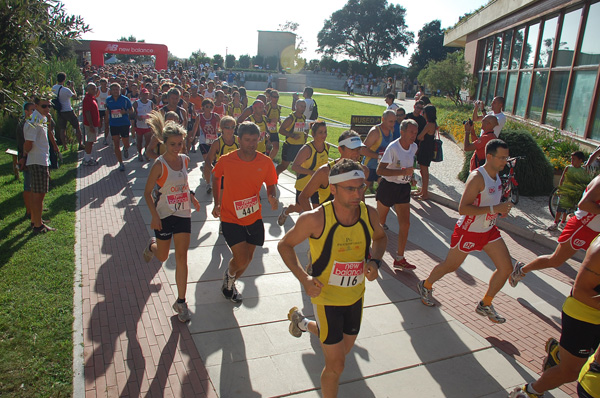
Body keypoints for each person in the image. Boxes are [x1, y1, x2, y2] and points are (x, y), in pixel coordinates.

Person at [278, 159, 387, 398]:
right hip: (326, 299)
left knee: (342, 350)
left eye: (361, 187)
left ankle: (302, 323)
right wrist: (304, 279)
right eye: (350, 188)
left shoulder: (369, 214)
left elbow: (380, 238)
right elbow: (284, 245)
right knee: (336, 365)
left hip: (355, 297)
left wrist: (375, 261)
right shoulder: (315, 219)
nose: (358, 194)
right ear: (333, 189)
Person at [417, 139, 515, 323]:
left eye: (506, 157)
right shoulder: (478, 177)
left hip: (489, 231)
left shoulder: (497, 176)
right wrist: (495, 209)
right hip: (468, 231)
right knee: (450, 266)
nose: (505, 161)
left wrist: (500, 211)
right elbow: (463, 209)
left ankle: (485, 303)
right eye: (501, 158)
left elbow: (490, 204)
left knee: (506, 268)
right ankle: (426, 284)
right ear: (490, 156)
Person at [509, 236, 600, 398]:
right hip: (583, 317)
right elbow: (580, 292)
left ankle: (559, 354)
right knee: (571, 372)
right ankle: (528, 392)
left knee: (586, 363)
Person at [142, 111, 200, 322]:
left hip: (183, 213)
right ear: (164, 143)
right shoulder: (159, 164)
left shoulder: (184, 161)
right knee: (163, 256)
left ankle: (181, 302)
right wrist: (154, 216)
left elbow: (183, 184)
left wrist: (191, 197)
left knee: (182, 257)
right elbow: (147, 193)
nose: (178, 148)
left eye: (180, 144)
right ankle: (152, 246)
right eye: (174, 144)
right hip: (164, 215)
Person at [211, 122, 278, 303]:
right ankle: (230, 275)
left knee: (247, 259)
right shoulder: (227, 160)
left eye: (255, 140)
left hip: (253, 217)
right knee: (240, 259)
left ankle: (229, 282)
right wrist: (216, 203)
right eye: (247, 140)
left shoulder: (265, 162)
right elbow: (215, 176)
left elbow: (271, 183)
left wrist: (272, 196)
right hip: (230, 217)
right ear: (239, 140)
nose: (251, 144)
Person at [510, 174, 600, 287]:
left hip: (596, 233)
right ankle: (522, 269)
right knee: (556, 260)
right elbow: (584, 204)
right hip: (581, 227)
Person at [376, 119, 418, 269]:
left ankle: (399, 258)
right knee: (379, 222)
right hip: (388, 187)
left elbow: (408, 167)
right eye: (411, 132)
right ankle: (370, 251)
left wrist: (411, 178)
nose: (414, 135)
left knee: (405, 224)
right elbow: (380, 171)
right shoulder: (393, 148)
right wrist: (402, 172)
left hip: (403, 188)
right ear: (402, 132)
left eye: (415, 132)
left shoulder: (414, 147)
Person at [297, 130, 368, 212]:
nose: (356, 154)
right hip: (329, 223)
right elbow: (303, 198)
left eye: (358, 149)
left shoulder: (364, 170)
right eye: (352, 150)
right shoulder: (325, 171)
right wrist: (315, 219)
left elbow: (361, 200)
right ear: (340, 149)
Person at [278, 121, 329, 225]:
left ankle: (315, 233)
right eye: (320, 132)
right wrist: (312, 172)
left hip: (317, 185)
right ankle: (286, 211)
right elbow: (295, 167)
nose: (324, 135)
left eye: (325, 132)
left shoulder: (326, 147)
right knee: (298, 208)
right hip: (304, 184)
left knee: (317, 210)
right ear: (313, 134)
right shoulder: (307, 149)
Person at [22, 95, 59, 233]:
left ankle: (36, 219)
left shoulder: (41, 118)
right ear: (36, 106)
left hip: (41, 159)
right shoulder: (34, 121)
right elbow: (28, 144)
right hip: (37, 160)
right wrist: (26, 153)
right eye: (44, 106)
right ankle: (37, 224)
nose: (47, 108)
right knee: (39, 194)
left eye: (49, 105)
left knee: (38, 193)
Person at [360, 110, 398, 192]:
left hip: (382, 167)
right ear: (383, 119)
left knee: (384, 191)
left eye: (394, 121)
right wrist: (379, 156)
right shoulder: (375, 132)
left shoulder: (391, 130)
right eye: (390, 121)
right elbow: (362, 150)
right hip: (370, 166)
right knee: (361, 192)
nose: (393, 124)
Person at [547, 151, 587, 230]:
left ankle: (563, 222)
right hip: (565, 191)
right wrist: (560, 188)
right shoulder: (568, 168)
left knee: (567, 208)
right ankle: (555, 222)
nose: (572, 161)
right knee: (560, 207)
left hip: (573, 193)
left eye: (574, 159)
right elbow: (562, 178)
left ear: (580, 160)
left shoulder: (583, 171)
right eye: (571, 159)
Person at [202, 116, 239, 187]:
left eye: (233, 127)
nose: (230, 130)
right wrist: (215, 172)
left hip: (235, 174)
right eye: (227, 127)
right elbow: (208, 160)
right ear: (222, 128)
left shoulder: (238, 140)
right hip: (222, 176)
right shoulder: (217, 143)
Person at [105, 82, 134, 172]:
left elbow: (131, 110)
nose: (115, 91)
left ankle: (125, 149)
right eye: (113, 90)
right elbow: (108, 110)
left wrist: (125, 112)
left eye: (117, 89)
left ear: (120, 90)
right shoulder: (108, 100)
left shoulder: (125, 99)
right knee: (116, 144)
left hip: (124, 123)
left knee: (126, 143)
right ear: (111, 91)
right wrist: (106, 118)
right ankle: (121, 163)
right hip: (114, 124)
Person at [16, 102, 36, 221]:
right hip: (26, 158)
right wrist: (23, 157)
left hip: (33, 157)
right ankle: (29, 210)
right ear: (26, 111)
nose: (34, 112)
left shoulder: (33, 123)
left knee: (34, 185)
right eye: (32, 110)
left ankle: (34, 207)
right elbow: (22, 144)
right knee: (28, 185)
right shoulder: (23, 124)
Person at [52, 72, 83, 150]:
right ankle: (80, 143)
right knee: (77, 127)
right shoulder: (66, 90)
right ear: (64, 79)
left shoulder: (54, 88)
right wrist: (72, 87)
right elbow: (75, 96)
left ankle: (64, 146)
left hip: (60, 111)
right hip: (68, 110)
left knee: (62, 129)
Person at [276, 100, 307, 175]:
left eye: (304, 107)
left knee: (299, 167)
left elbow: (300, 129)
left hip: (300, 146)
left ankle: (299, 185)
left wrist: (304, 134)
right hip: (290, 146)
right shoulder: (291, 118)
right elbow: (281, 130)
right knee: (284, 166)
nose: (303, 108)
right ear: (296, 106)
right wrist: (292, 135)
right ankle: (274, 176)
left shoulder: (303, 117)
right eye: (301, 106)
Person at [414, 104, 437, 200]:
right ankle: (423, 191)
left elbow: (419, 136)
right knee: (423, 171)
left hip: (425, 149)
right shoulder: (434, 124)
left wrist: (421, 136)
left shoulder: (429, 125)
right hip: (428, 148)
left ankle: (425, 193)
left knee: (424, 171)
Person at [133, 88, 155, 162]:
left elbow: (153, 113)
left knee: (148, 141)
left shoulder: (151, 103)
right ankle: (139, 153)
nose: (145, 96)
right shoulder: (136, 103)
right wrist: (137, 117)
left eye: (146, 94)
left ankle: (146, 153)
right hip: (139, 125)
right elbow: (132, 114)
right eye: (143, 94)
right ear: (140, 95)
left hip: (147, 125)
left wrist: (151, 119)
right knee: (139, 141)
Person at [82, 83, 100, 166]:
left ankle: (87, 157)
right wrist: (91, 125)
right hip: (90, 124)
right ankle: (87, 160)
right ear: (88, 90)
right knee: (90, 141)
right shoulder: (87, 99)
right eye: (92, 89)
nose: (94, 90)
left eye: (95, 88)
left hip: (93, 123)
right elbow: (87, 112)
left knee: (91, 141)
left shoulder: (92, 98)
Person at [265, 90, 282, 160]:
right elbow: (263, 118)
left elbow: (278, 117)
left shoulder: (278, 107)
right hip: (267, 130)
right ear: (271, 97)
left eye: (277, 97)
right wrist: (270, 120)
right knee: (267, 147)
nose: (276, 99)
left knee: (276, 148)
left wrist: (279, 121)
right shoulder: (267, 106)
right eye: (274, 97)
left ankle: (268, 160)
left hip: (274, 131)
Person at [96, 78, 110, 145]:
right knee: (100, 122)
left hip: (106, 109)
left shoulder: (109, 91)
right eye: (103, 84)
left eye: (105, 84)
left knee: (106, 124)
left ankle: (105, 138)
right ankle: (99, 128)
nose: (104, 85)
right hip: (99, 109)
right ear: (100, 84)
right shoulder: (97, 90)